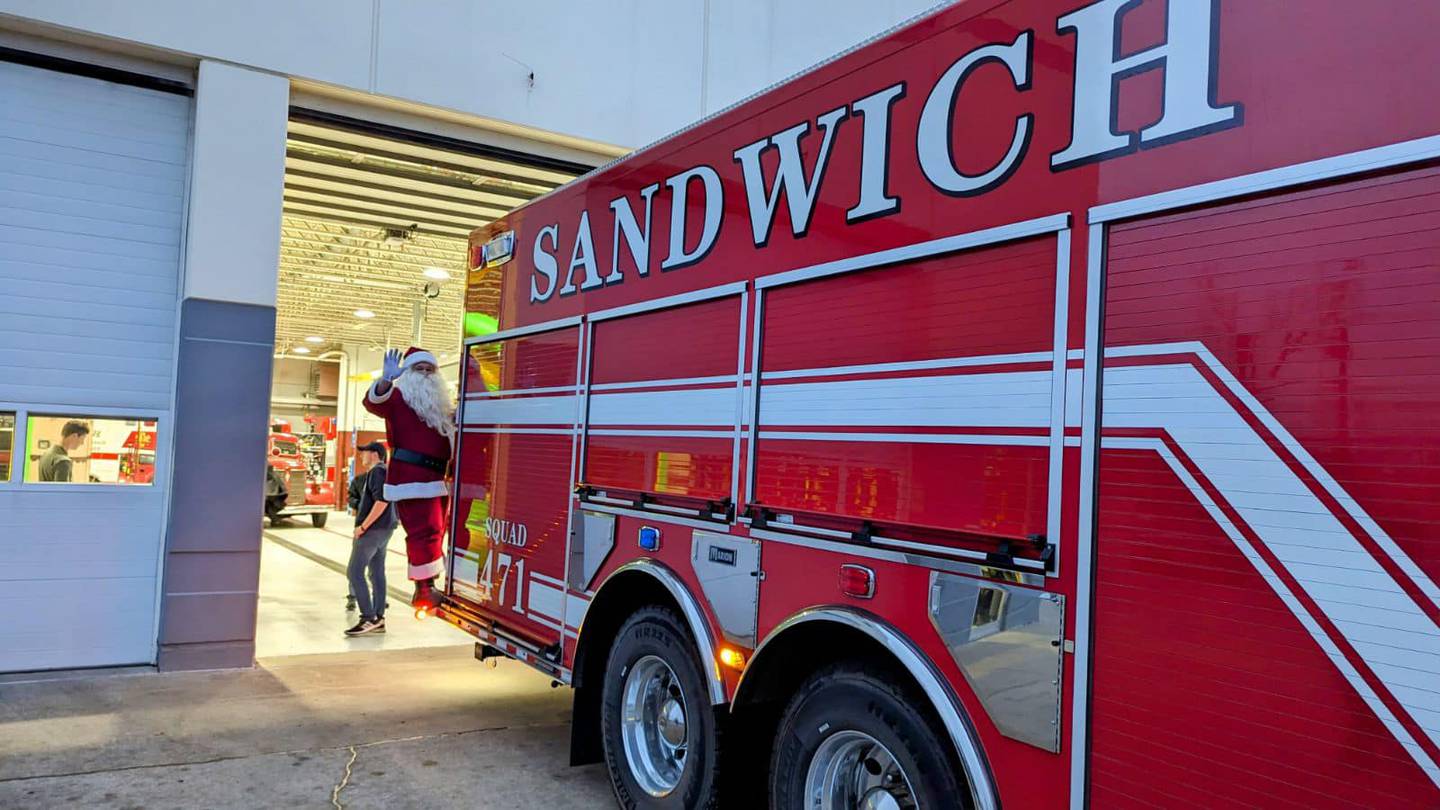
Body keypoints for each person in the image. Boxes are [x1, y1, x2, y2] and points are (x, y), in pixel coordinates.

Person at [361, 346, 454, 610]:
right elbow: (373, 402)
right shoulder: (398, 398)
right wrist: (386, 380)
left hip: (436, 478)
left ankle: (431, 582)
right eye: (419, 369)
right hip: (411, 479)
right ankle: (423, 589)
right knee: (422, 532)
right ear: (409, 373)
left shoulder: (440, 406)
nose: (425, 374)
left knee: (436, 530)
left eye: (430, 369)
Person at [346, 441, 395, 636]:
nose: (361, 456)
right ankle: (378, 618)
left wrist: (363, 527)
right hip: (384, 530)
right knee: (376, 572)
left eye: (364, 452)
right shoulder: (384, 472)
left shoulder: (377, 472)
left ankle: (368, 618)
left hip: (372, 531)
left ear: (374, 454)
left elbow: (381, 501)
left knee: (354, 572)